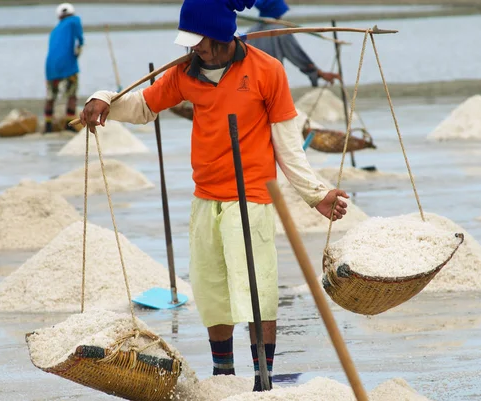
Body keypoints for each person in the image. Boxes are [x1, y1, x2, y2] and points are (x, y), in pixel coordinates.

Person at [79, 0, 349, 391]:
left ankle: (263, 380)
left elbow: (288, 145)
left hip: (251, 197)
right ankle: (223, 376)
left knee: (257, 290)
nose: (194, 50)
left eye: (200, 42)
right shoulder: (186, 73)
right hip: (206, 197)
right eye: (190, 44)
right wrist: (103, 97)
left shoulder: (266, 71)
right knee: (211, 290)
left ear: (222, 35)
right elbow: (142, 107)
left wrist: (316, 194)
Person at [245, 0, 340, 87]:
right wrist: (319, 73)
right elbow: (297, 56)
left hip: (249, 83)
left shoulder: (249, 32)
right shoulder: (280, 32)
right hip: (270, 84)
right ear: (278, 11)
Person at [44, 2, 84, 133]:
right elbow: (80, 40)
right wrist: (80, 47)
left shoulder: (54, 30)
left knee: (51, 96)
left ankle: (48, 126)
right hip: (68, 65)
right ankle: (69, 124)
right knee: (72, 95)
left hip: (50, 67)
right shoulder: (75, 20)